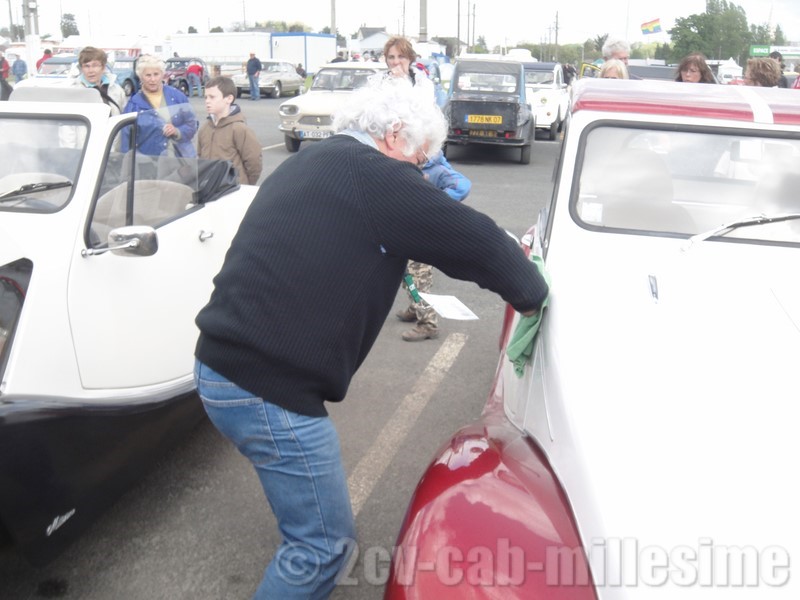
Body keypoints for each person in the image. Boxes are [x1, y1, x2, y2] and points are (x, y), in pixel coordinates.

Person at [193, 75, 548, 599]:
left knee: (307, 518)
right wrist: (534, 294)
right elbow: (484, 248)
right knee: (322, 549)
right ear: (395, 134)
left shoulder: (315, 159)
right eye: (422, 156)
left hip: (218, 364)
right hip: (266, 389)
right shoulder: (378, 176)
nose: (423, 168)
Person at [384, 35, 470, 341]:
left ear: (410, 58)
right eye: (390, 58)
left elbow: (461, 184)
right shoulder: (382, 85)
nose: (395, 63)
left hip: (417, 199)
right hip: (397, 169)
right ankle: (415, 306)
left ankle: (429, 322)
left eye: (400, 57)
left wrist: (435, 202)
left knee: (417, 264)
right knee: (399, 258)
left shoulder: (422, 86)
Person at [120, 54, 197, 157]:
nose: (153, 79)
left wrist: (177, 131)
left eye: (156, 74)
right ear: (140, 77)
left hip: (179, 161)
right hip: (149, 163)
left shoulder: (178, 97)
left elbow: (192, 124)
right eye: (148, 75)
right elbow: (126, 141)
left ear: (162, 74)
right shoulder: (133, 105)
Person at [197, 76, 262, 185]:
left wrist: (244, 186)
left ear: (229, 99)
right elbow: (200, 159)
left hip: (233, 191)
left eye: (212, 97)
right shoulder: (204, 129)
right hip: (208, 190)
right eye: (205, 97)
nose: (207, 101)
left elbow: (254, 163)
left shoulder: (239, 129)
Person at [68, 46, 127, 115]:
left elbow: (124, 115)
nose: (91, 71)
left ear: (103, 67)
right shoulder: (75, 91)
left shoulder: (116, 89)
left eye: (95, 65)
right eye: (86, 66)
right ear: (81, 68)